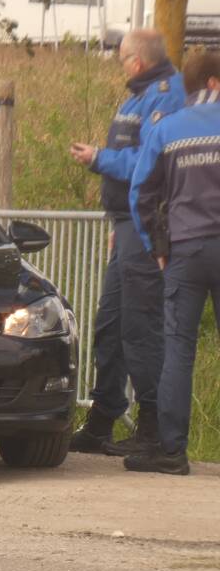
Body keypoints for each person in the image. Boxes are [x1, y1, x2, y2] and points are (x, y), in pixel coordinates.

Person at [68, 29, 186, 455]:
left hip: (144, 225)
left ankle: (152, 425)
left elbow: (151, 161)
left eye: (121, 59)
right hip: (125, 225)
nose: (120, 65)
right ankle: (103, 418)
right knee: (111, 324)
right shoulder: (137, 96)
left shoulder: (165, 96)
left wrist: (99, 159)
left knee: (140, 326)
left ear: (137, 61)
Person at [124, 50, 220, 475]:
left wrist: (155, 246)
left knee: (178, 348)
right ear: (215, 83)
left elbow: (140, 193)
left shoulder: (169, 130)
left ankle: (172, 452)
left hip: (186, 250)